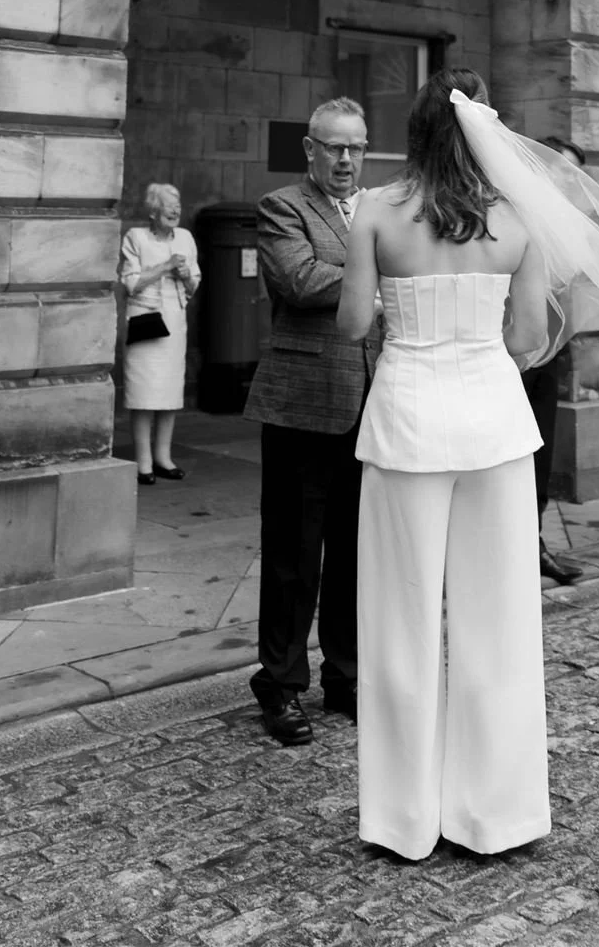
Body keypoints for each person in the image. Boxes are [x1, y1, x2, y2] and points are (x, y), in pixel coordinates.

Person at [337, 68, 551, 861]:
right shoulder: (518, 220)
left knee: (400, 622)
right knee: (499, 624)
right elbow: (527, 339)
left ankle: (401, 823)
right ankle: (497, 816)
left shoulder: (375, 210)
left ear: (417, 131)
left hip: (406, 422)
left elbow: (353, 321)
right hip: (494, 425)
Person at [243, 97, 381, 747]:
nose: (345, 159)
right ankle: (281, 684)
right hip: (301, 404)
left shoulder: (379, 208)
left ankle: (345, 677)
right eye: (332, 147)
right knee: (294, 557)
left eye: (354, 147)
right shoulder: (281, 207)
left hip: (373, 404)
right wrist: (379, 282)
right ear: (310, 149)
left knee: (357, 554)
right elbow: (297, 279)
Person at [527, 135, 586, 586]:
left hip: (549, 357)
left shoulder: (569, 222)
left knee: (541, 459)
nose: (572, 182)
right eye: (565, 172)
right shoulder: (515, 214)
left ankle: (535, 544)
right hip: (508, 357)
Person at [119, 182, 200, 484]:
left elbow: (194, 284)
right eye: (168, 206)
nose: (175, 210)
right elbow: (131, 283)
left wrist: (185, 275)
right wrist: (166, 266)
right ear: (153, 211)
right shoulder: (136, 238)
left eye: (177, 206)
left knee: (168, 392)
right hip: (144, 323)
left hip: (174, 323)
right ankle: (143, 463)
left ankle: (163, 458)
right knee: (142, 395)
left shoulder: (186, 238)